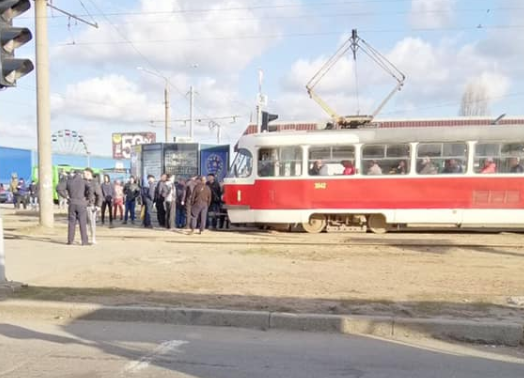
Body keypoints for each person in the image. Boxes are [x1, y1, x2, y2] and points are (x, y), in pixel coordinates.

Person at [57, 169, 91, 246]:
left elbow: (58, 188)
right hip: (81, 203)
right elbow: (91, 188)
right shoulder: (84, 182)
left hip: (72, 203)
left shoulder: (69, 181)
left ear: (74, 174)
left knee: (71, 223)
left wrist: (66, 197)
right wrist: (88, 198)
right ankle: (84, 241)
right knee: (82, 223)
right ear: (81, 174)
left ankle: (70, 240)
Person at [86, 170, 103, 245]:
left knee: (91, 222)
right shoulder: (83, 182)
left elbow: (99, 195)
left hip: (91, 205)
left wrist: (98, 205)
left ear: (90, 174)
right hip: (83, 205)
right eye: (84, 173)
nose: (84, 175)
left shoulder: (94, 183)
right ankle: (85, 238)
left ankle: (93, 238)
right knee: (84, 223)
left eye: (86, 173)